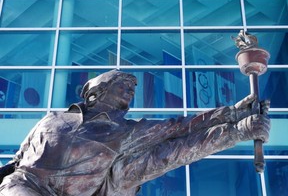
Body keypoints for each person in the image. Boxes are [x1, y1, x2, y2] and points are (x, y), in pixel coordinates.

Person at [0, 70, 270, 196]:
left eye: (132, 88)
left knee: (163, 156)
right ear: (97, 92)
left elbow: (181, 132)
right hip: (28, 185)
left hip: (91, 191)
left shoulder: (126, 129)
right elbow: (19, 157)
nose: (131, 91)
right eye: (124, 85)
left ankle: (238, 130)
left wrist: (235, 118)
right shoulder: (53, 118)